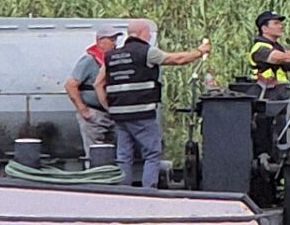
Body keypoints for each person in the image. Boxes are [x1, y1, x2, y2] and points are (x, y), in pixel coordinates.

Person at [99, 20, 210, 189]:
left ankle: (122, 191)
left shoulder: (111, 56)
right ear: (143, 32)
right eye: (149, 33)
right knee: (152, 153)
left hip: (118, 114)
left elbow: (98, 84)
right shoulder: (146, 52)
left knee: (123, 156)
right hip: (141, 113)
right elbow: (177, 59)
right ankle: (149, 190)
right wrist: (199, 52)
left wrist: (108, 106)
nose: (150, 36)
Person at [64, 26, 123, 161]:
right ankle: (95, 177)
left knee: (111, 152)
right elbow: (70, 85)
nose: (115, 43)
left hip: (110, 114)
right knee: (95, 153)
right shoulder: (89, 61)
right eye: (111, 39)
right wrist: (84, 110)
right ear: (100, 41)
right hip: (94, 113)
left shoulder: (111, 60)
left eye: (115, 39)